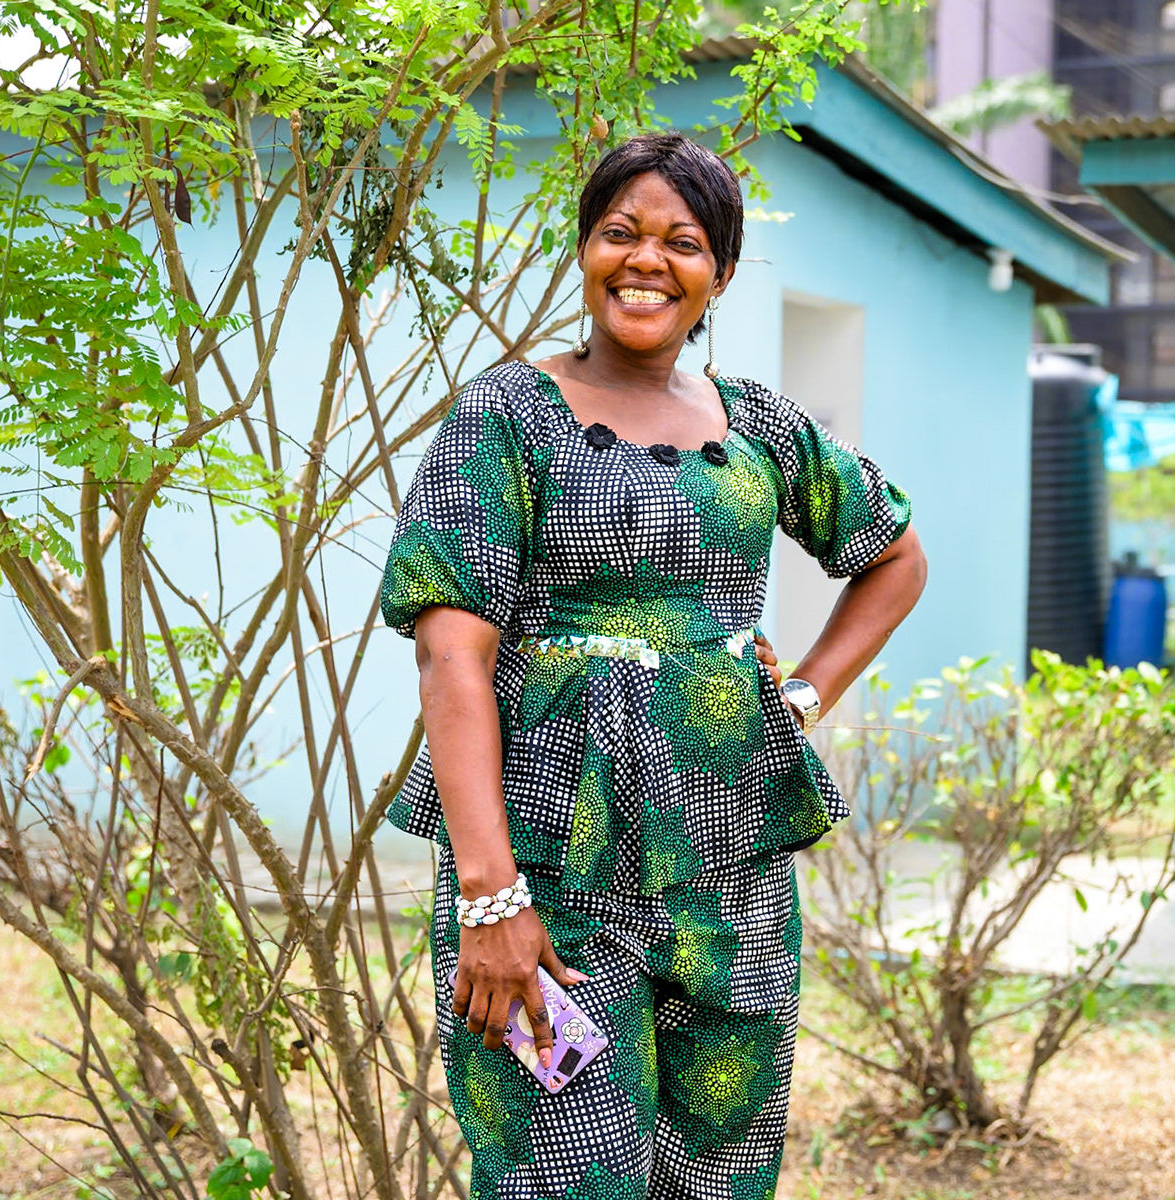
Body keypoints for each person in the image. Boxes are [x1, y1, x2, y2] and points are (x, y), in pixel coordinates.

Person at [378, 131, 927, 1200]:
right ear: (584, 249)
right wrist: (493, 901)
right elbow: (452, 656)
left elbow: (892, 557)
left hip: (735, 876)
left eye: (681, 241)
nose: (646, 260)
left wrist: (805, 694)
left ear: (718, 273)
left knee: (719, 1175)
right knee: (561, 1175)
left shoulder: (761, 424)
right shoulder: (505, 417)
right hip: (549, 881)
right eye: (620, 232)